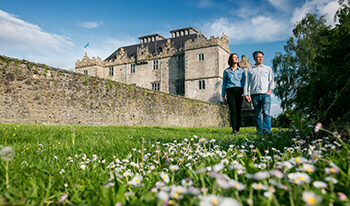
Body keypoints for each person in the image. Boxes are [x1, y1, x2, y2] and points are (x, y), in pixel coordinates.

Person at [244, 51, 275, 134]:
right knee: (257, 114)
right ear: (254, 58)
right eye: (258, 57)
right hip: (254, 95)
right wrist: (246, 94)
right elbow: (247, 83)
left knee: (266, 113)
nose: (260, 58)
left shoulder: (267, 68)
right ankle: (260, 131)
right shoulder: (250, 70)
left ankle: (267, 131)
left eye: (261, 57)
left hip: (265, 94)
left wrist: (269, 91)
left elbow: (272, 81)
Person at [222, 53, 246, 134]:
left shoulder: (241, 70)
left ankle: (238, 129)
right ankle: (234, 129)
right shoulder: (226, 71)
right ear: (231, 59)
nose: (236, 59)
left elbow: (244, 82)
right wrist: (223, 96)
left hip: (239, 91)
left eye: (237, 57)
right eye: (234, 57)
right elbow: (224, 84)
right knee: (233, 111)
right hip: (230, 91)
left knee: (238, 110)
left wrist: (245, 93)